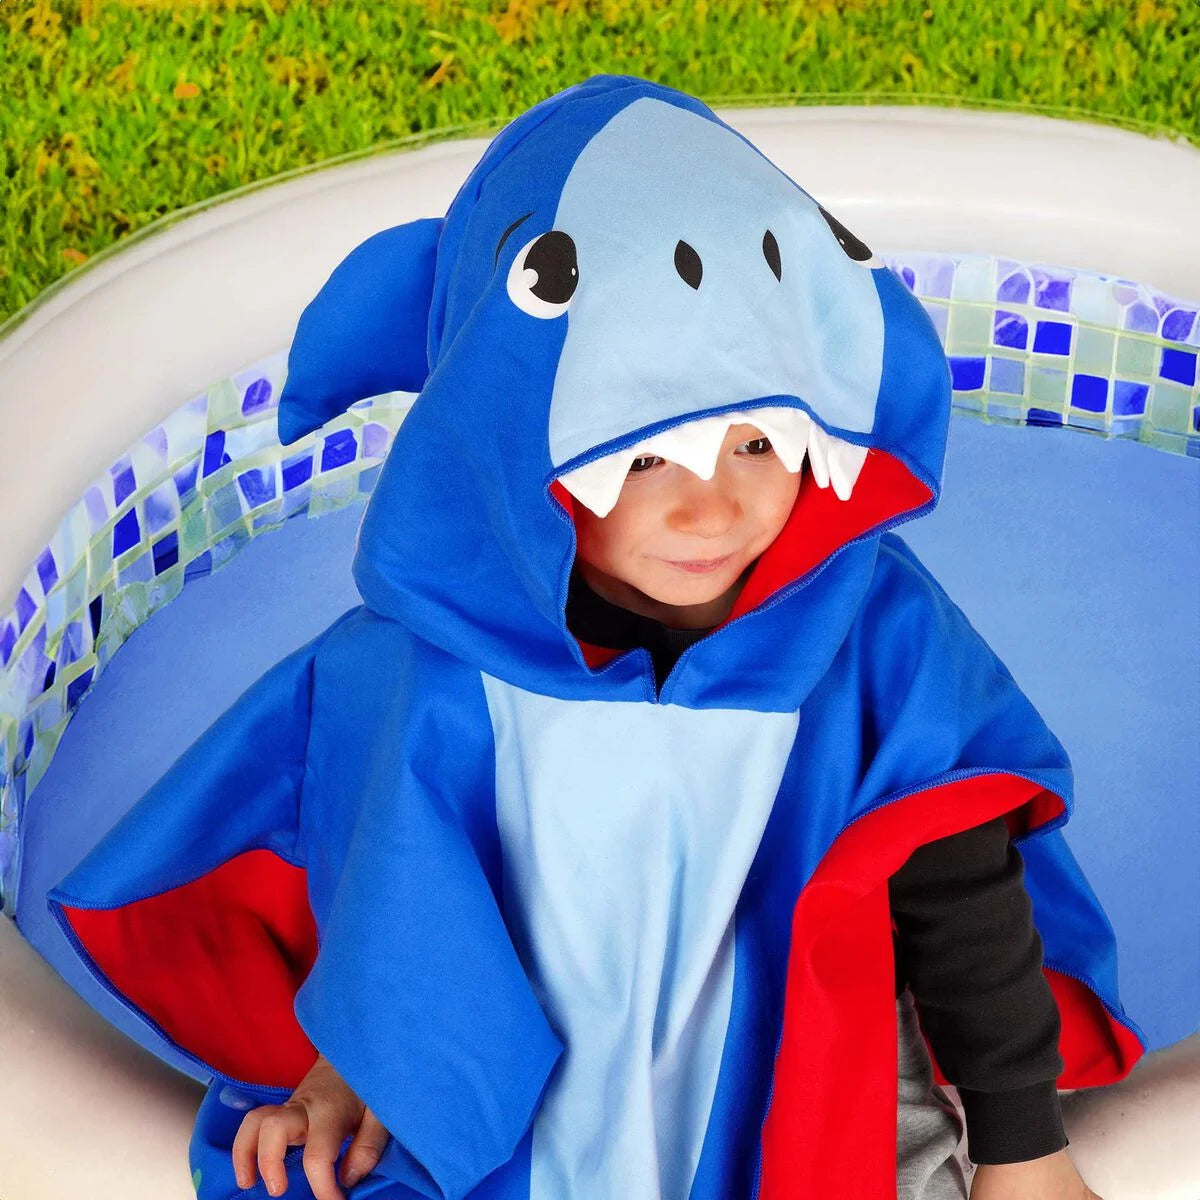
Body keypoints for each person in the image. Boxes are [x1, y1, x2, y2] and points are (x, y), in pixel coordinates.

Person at [47, 74, 1143, 1200]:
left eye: (758, 444)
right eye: (646, 457)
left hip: (811, 1070)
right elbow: (397, 899)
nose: (711, 511)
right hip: (524, 1080)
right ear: (526, 443)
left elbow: (963, 894)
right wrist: (350, 1066)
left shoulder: (875, 639)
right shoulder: (429, 669)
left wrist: (1024, 1149)